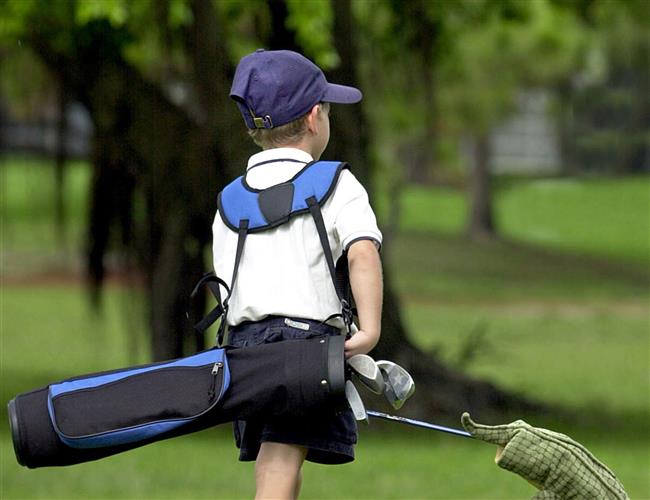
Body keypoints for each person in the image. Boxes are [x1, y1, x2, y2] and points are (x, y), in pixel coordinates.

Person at [211, 49, 383, 499]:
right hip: (303, 346)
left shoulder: (230, 201)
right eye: (326, 108)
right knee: (280, 460)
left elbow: (228, 277)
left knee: (283, 451)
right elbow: (362, 252)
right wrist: (369, 329)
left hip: (244, 346)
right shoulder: (336, 183)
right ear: (313, 118)